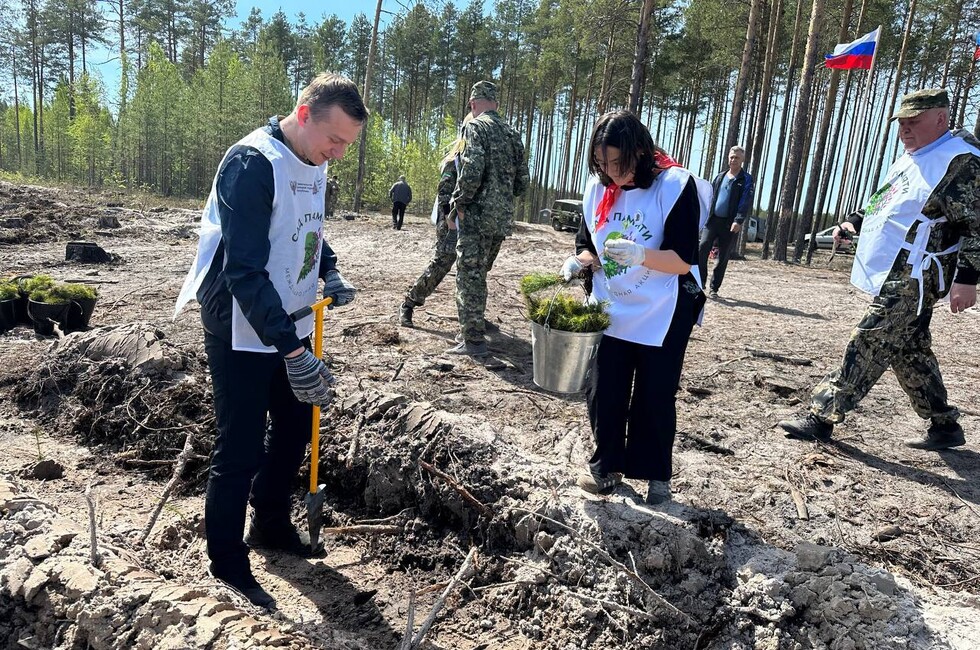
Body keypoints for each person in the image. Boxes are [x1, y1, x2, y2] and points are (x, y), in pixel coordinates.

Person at [173, 72, 368, 609]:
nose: (338, 154)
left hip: (291, 317)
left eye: (346, 145)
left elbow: (307, 228)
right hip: (240, 322)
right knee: (239, 445)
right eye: (335, 140)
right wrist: (291, 350)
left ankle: (271, 523)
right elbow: (243, 270)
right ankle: (227, 561)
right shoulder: (251, 164)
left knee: (295, 427)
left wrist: (328, 269)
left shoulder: (313, 160)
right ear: (304, 114)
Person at [779, 88, 979, 451]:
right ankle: (944, 425)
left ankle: (821, 416)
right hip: (897, 269)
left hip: (916, 275)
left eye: (913, 122)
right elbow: (887, 200)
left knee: (870, 337)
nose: (905, 129)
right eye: (901, 123)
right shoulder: (913, 156)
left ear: (940, 118)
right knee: (909, 348)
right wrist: (854, 220)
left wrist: (967, 279)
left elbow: (978, 226)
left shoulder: (961, 162)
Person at [560, 110, 705, 505]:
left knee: (655, 391)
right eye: (602, 163)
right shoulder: (597, 189)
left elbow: (682, 260)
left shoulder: (674, 185)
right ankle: (606, 464)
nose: (610, 172)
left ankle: (656, 474)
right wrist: (580, 261)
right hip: (612, 304)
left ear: (639, 151)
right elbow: (587, 243)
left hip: (665, 304)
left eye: (617, 163)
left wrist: (641, 254)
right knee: (604, 387)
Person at [449, 80, 530, 356]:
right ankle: (475, 330)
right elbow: (522, 183)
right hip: (500, 220)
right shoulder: (512, 134)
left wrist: (458, 203)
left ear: (473, 104)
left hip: (476, 216)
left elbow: (471, 170)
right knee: (480, 274)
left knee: (469, 277)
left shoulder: (474, 126)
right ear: (495, 103)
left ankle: (472, 341)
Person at [400, 115, 472, 328]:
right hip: (451, 223)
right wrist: (451, 220)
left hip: (468, 223)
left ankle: (473, 318)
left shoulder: (477, 159)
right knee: (442, 264)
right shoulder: (455, 161)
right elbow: (444, 193)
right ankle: (409, 303)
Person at [697, 145, 753, 299]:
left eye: (737, 157)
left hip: (730, 224)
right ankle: (700, 282)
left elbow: (745, 201)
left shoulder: (746, 179)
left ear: (742, 160)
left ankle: (714, 288)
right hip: (712, 220)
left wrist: (738, 220)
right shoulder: (720, 177)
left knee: (722, 257)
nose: (733, 160)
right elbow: (710, 197)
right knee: (702, 247)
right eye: (731, 157)